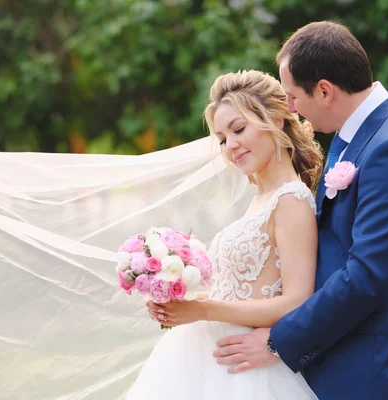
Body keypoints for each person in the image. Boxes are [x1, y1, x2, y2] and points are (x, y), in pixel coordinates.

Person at [213, 21, 388, 399]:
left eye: (294, 97)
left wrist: (279, 341)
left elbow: (366, 277)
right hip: (358, 362)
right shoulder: (358, 138)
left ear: (325, 90)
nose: (290, 109)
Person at [125, 70, 323, 399]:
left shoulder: (291, 200)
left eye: (238, 129)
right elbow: (243, 293)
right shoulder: (260, 198)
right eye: (221, 138)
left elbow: (296, 302)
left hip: (248, 372)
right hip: (205, 359)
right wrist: (184, 303)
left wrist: (204, 310)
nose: (230, 146)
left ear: (275, 119)